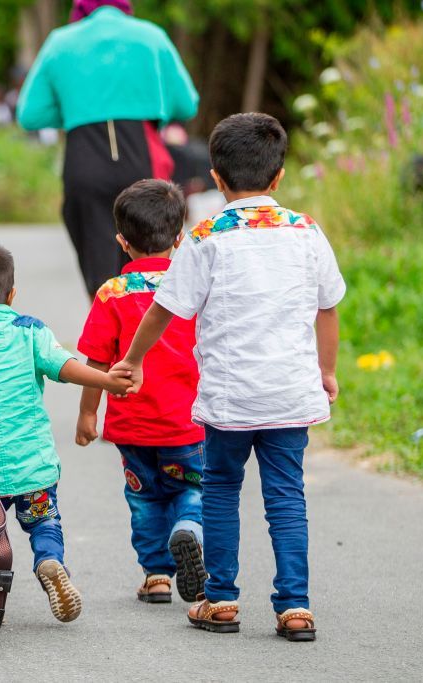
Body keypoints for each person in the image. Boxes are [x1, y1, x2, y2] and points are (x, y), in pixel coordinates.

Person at [110, 113, 345, 642]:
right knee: (286, 496)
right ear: (279, 176)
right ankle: (295, 607)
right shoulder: (306, 231)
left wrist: (136, 359)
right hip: (288, 392)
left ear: (215, 178)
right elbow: (327, 309)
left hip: (230, 398)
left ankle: (220, 600)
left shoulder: (207, 235)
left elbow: (164, 309)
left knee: (219, 490)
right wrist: (325, 371)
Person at [0, 238, 132, 623]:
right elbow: (66, 367)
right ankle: (50, 561)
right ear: (11, 294)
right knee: (44, 521)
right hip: (31, 466)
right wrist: (107, 380)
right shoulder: (29, 332)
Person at [75, 179, 206, 605]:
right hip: (189, 423)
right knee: (192, 488)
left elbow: (95, 362)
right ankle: (189, 527)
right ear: (180, 237)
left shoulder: (112, 293)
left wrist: (88, 415)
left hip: (132, 425)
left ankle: (156, 576)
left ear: (122, 242)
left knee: (144, 497)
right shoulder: (193, 290)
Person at [16, 0, 199, 297]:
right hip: (141, 154)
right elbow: (186, 103)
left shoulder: (61, 41)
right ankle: (147, 333)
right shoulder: (150, 36)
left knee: (97, 264)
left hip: (84, 156)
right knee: (149, 258)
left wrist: (78, 110)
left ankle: (106, 332)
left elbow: (30, 114)